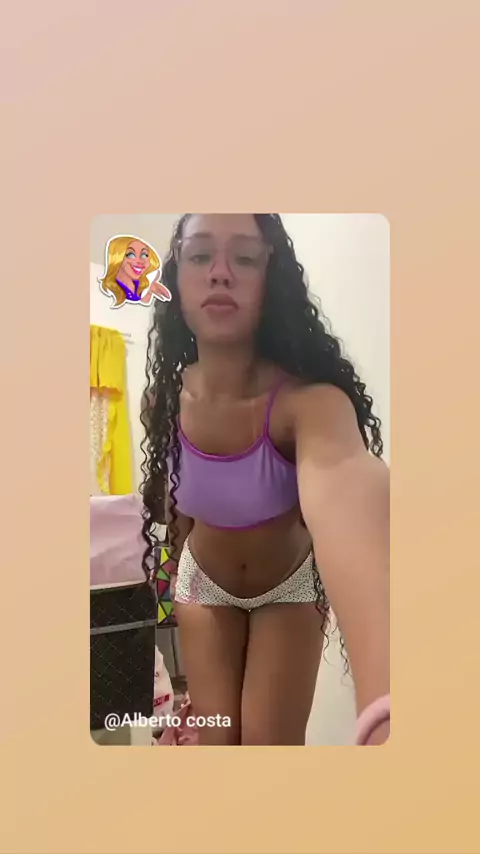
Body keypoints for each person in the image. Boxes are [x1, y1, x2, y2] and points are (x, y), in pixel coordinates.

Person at [141, 214, 389, 746]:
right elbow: (179, 503)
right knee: (218, 747)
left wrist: (386, 712)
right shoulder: (164, 401)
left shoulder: (310, 406)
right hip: (202, 586)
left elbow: (351, 491)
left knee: (267, 751)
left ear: (270, 279)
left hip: (290, 588)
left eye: (245, 257)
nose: (221, 272)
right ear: (176, 278)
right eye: (200, 255)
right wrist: (175, 565)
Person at [98, 235, 171, 308]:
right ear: (117, 257)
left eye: (144, 255)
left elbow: (145, 301)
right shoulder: (109, 288)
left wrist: (149, 289)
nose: (140, 261)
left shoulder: (142, 284)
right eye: (131, 255)